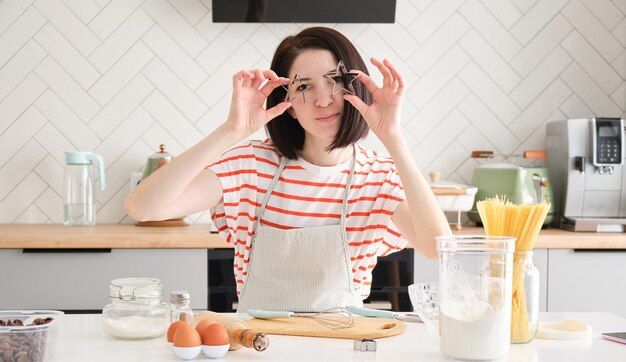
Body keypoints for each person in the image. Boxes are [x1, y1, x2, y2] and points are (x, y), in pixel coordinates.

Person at [125, 27, 451, 313]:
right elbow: (142, 208)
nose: (323, 101)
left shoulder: (378, 177)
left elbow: (438, 249)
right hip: (260, 347)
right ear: (290, 107)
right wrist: (232, 129)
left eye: (334, 81)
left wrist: (393, 139)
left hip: (340, 347)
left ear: (355, 88)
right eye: (305, 88)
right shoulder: (251, 166)